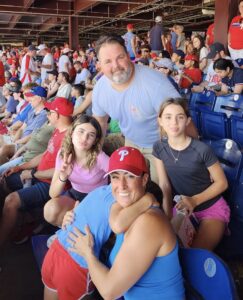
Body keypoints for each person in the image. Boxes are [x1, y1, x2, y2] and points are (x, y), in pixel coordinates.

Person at [42, 146, 185, 300]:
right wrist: (72, 214)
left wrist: (87, 254)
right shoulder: (123, 208)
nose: (121, 185)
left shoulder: (149, 222)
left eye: (129, 176)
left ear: (144, 180)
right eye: (115, 176)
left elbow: (109, 292)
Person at [91, 34, 188, 184]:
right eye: (108, 61)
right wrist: (94, 153)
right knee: (127, 186)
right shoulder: (100, 88)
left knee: (158, 189)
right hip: (131, 142)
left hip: (162, 145)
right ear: (99, 65)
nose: (115, 66)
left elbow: (184, 123)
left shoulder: (155, 83)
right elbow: (100, 123)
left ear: (129, 55)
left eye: (120, 57)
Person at [153, 98, 230, 250]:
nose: (174, 122)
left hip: (211, 208)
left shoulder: (201, 150)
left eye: (180, 117)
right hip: (183, 208)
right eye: (168, 117)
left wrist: (194, 201)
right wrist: (168, 215)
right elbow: (165, 185)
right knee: (170, 248)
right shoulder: (159, 148)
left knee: (195, 254)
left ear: (187, 120)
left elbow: (222, 183)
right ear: (160, 121)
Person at [0, 97, 73, 246]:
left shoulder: (70, 138)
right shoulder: (58, 130)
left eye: (50, 112)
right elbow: (45, 154)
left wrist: (32, 174)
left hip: (50, 184)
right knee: (4, 179)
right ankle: (22, 219)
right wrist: (20, 167)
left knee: (10, 201)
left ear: (57, 115)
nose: (47, 114)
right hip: (37, 174)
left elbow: (60, 172)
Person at [44, 115, 109, 227]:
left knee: (79, 219)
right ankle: (66, 230)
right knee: (50, 211)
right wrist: (63, 176)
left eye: (91, 135)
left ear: (94, 141)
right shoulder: (63, 153)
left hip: (97, 198)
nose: (84, 138)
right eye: (81, 131)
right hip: (76, 194)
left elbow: (119, 176)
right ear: (72, 132)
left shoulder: (100, 158)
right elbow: (53, 194)